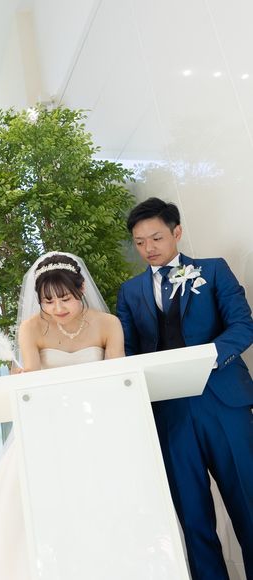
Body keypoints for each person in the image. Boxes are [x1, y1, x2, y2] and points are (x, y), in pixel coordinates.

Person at [0, 252, 124, 579]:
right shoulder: (31, 327)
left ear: (81, 289)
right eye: (48, 302)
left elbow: (118, 376)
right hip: (48, 426)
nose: (57, 308)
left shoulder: (108, 324)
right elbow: (34, 378)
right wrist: (21, 377)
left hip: (96, 425)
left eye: (65, 298)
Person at [116, 197, 253, 580]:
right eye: (140, 242)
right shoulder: (130, 292)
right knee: (192, 517)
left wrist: (206, 359)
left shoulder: (213, 270)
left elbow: (243, 325)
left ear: (176, 232)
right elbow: (126, 350)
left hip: (223, 401)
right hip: (169, 413)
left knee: (249, 502)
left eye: (156, 238)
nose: (148, 248)